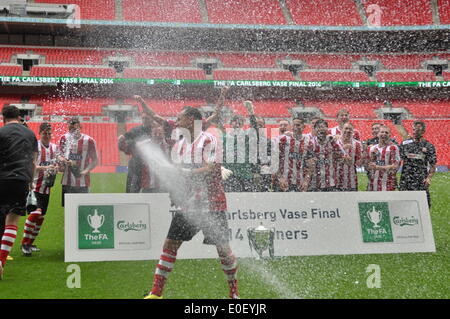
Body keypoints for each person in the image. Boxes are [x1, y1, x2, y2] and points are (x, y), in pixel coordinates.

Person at [144, 106, 239, 299]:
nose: (176, 122)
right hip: (189, 204)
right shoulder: (180, 144)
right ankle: (155, 293)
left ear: (191, 120)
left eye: (179, 119)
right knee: (170, 243)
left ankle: (234, 293)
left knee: (223, 249)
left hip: (212, 203)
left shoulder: (209, 139)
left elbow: (211, 168)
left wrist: (185, 173)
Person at [0, 105, 38, 279]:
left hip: (2, 178)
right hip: (21, 179)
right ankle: (1, 262)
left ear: (3, 118)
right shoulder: (30, 134)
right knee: (12, 221)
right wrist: (30, 183)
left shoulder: (2, 132)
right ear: (20, 117)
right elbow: (33, 162)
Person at [20, 122, 59, 256]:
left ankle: (30, 243)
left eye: (49, 133)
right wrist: (46, 168)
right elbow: (32, 166)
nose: (48, 136)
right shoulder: (35, 146)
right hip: (34, 186)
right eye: (45, 133)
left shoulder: (54, 147)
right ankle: (24, 244)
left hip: (46, 188)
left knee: (41, 217)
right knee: (35, 213)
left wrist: (57, 167)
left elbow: (57, 164)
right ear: (40, 133)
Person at [58, 117, 98, 207]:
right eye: (70, 129)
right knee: (68, 210)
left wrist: (84, 171)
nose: (72, 131)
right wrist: (63, 160)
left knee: (83, 209)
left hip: (83, 182)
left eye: (74, 129)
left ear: (80, 127)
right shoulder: (64, 138)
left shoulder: (89, 141)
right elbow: (59, 155)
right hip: (67, 182)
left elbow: (95, 161)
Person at [399, 121, 436, 207]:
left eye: (418, 130)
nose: (415, 132)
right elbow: (398, 160)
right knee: (403, 205)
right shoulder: (405, 144)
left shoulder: (428, 146)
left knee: (424, 205)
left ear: (423, 131)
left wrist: (429, 178)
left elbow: (433, 165)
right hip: (406, 179)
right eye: (414, 130)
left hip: (420, 179)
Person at [118, 110, 155, 193]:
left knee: (150, 188)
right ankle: (129, 201)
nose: (145, 120)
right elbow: (124, 139)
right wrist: (122, 141)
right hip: (136, 164)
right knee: (132, 188)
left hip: (150, 166)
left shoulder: (155, 131)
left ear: (152, 119)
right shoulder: (135, 130)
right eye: (143, 118)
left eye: (147, 118)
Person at [275, 116, 315, 192]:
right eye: (294, 125)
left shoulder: (308, 142)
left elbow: (311, 165)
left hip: (300, 183)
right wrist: (280, 178)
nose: (295, 127)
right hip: (284, 182)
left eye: (298, 125)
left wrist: (306, 181)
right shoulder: (283, 140)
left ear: (303, 127)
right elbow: (275, 161)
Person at [309, 119, 348, 192]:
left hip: (332, 182)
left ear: (327, 129)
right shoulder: (310, 142)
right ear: (314, 129)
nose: (321, 129)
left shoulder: (332, 141)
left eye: (323, 127)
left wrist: (339, 157)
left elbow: (343, 157)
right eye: (318, 127)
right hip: (315, 183)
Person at [366, 125, 400, 191]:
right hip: (372, 184)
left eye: (386, 132)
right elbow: (367, 166)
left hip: (387, 184)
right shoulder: (371, 148)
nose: (384, 134)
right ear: (378, 134)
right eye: (382, 132)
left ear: (390, 135)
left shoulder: (393, 148)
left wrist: (378, 167)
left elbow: (395, 166)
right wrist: (372, 158)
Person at [335, 123, 363, 191]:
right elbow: (331, 158)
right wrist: (342, 152)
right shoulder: (335, 143)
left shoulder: (357, 144)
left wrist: (363, 156)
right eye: (346, 128)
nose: (348, 131)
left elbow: (359, 163)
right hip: (336, 180)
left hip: (351, 180)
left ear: (353, 132)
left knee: (352, 200)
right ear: (341, 130)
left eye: (350, 129)